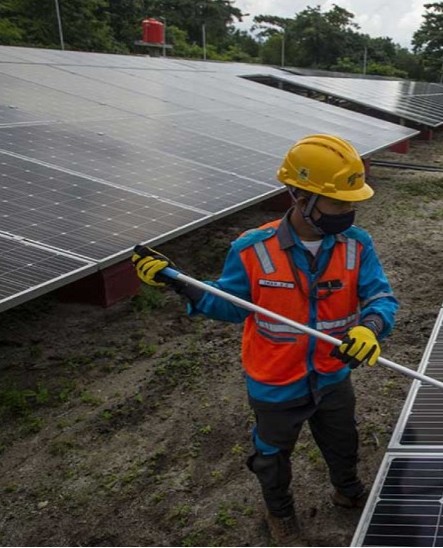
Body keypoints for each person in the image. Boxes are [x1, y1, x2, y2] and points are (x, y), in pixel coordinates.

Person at [131, 134, 398, 545]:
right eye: (339, 202)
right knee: (272, 457)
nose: (349, 211)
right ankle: (281, 514)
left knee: (344, 441)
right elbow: (231, 305)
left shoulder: (357, 245)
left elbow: (380, 296)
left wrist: (371, 327)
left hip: (331, 375)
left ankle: (347, 492)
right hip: (275, 382)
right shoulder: (252, 249)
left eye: (352, 202)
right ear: (299, 195)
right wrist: (180, 285)